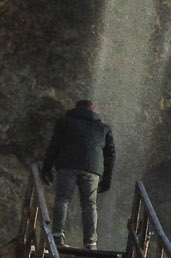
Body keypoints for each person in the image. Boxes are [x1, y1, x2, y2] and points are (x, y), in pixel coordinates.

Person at [40, 99, 116, 249]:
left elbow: (54, 145)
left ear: (76, 109)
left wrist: (46, 168)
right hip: (92, 170)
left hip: (67, 166)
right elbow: (111, 155)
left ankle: (57, 236)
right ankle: (90, 242)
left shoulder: (65, 123)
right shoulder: (104, 128)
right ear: (93, 111)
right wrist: (107, 178)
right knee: (89, 205)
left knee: (62, 199)